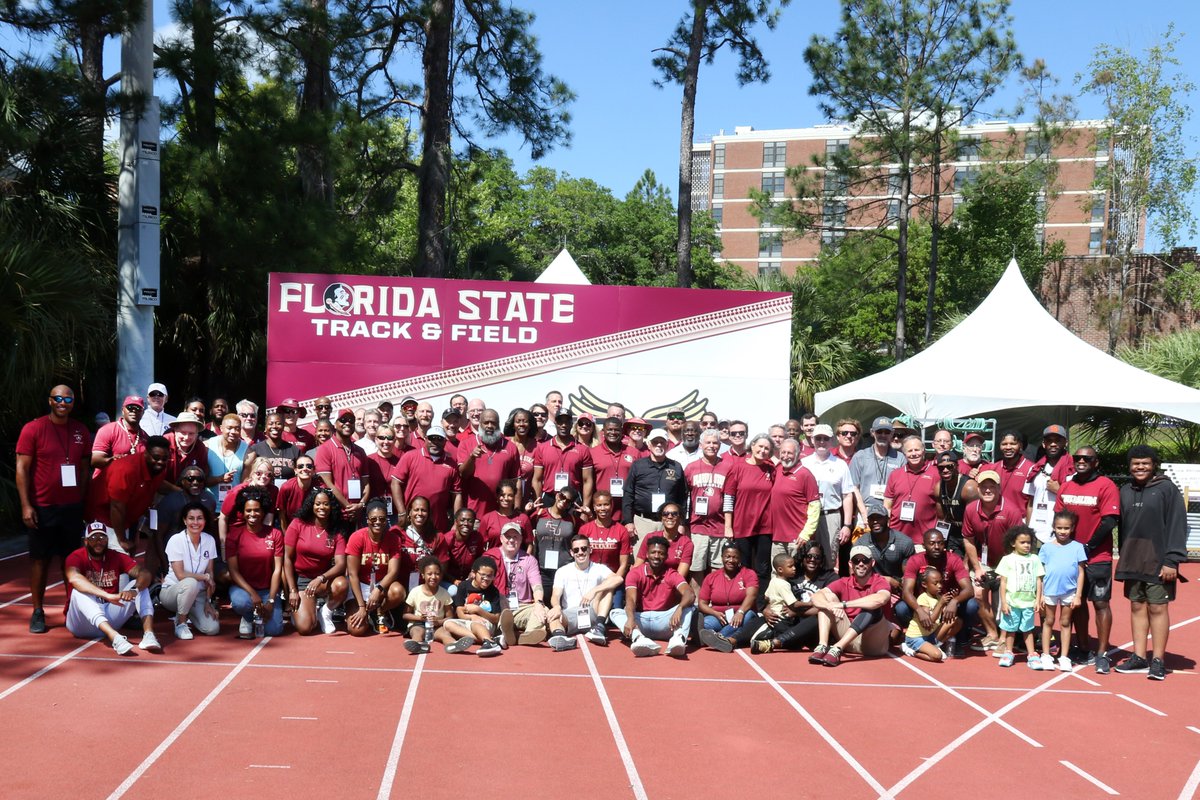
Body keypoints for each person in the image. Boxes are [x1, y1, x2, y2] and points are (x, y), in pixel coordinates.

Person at [17, 384, 93, 633]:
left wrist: (80, 501)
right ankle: (38, 611)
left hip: (71, 508)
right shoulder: (33, 428)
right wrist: (27, 505)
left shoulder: (81, 430)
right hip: (42, 507)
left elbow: (84, 469)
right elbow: (22, 470)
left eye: (68, 399)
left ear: (73, 402)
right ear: (50, 401)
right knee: (40, 561)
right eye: (58, 398)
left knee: (71, 562)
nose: (63, 402)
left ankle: (73, 607)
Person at [1115, 444, 1187, 681]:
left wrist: (1172, 560)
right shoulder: (1125, 490)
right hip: (1133, 559)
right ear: (1129, 466)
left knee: (1158, 608)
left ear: (1154, 465)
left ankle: (1157, 660)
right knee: (1136, 607)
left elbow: (1178, 525)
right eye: (1136, 464)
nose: (1140, 467)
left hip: (1159, 561)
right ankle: (1138, 657)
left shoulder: (1167, 490)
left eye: (1145, 463)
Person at [1055, 445, 1120, 671]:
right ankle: (1083, 647)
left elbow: (1110, 520)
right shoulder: (1067, 486)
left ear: (1096, 462)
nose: (1081, 461)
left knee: (1101, 603)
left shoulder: (1106, 485)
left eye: (1087, 458)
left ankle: (1102, 653)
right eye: (1078, 458)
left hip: (1097, 557)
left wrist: (1088, 547)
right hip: (1071, 558)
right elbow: (1059, 519)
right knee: (1077, 604)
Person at [64, 522, 159, 654]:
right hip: (81, 624)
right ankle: (115, 638)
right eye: (93, 538)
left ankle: (149, 635)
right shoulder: (76, 556)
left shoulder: (115, 556)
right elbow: (74, 578)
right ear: (85, 541)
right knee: (78, 591)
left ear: (108, 540)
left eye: (102, 538)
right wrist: (107, 595)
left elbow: (145, 573)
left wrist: (134, 590)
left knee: (140, 587)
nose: (98, 542)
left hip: (109, 616)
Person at [961, 470, 1024, 652]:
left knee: (1002, 604)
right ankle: (992, 634)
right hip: (983, 559)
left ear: (999, 488)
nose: (987, 490)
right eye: (983, 486)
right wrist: (977, 567)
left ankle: (1005, 636)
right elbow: (968, 539)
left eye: (992, 486)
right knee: (978, 594)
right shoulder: (971, 509)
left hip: (1007, 561)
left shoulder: (1011, 511)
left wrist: (1005, 570)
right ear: (978, 488)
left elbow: (1018, 543)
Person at [897, 528, 978, 658]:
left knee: (972, 605)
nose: (937, 547)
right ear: (924, 545)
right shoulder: (915, 560)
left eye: (940, 543)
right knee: (901, 608)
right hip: (924, 604)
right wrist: (919, 610)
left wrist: (954, 601)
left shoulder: (953, 559)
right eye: (932, 543)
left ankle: (960, 639)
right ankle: (915, 638)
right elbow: (906, 592)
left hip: (948, 603)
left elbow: (969, 589)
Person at [806, 545, 892, 666]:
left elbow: (880, 599)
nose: (861, 564)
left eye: (865, 560)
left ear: (872, 563)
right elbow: (816, 596)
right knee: (827, 600)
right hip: (849, 641)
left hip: (873, 645)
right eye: (857, 560)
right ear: (851, 564)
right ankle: (822, 646)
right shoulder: (844, 582)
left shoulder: (880, 581)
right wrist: (830, 606)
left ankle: (837, 648)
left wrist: (843, 605)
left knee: (872, 607)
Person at [611, 536, 696, 658]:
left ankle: (678, 640)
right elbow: (631, 599)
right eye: (653, 552)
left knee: (689, 608)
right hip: (641, 621)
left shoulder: (672, 573)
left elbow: (690, 593)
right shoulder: (634, 573)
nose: (656, 556)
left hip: (666, 622)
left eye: (661, 553)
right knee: (615, 613)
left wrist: (680, 608)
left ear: (666, 556)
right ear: (646, 554)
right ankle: (639, 639)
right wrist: (630, 618)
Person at [85, 437, 170, 556]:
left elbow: (159, 483)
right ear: (146, 453)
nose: (160, 462)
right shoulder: (125, 470)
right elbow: (116, 507)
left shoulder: (157, 468)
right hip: (104, 518)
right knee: (117, 560)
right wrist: (122, 539)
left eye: (164, 459)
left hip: (128, 518)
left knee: (129, 557)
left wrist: (180, 492)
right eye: (156, 457)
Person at [749, 542, 839, 654]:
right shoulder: (793, 574)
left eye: (817, 557)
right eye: (809, 556)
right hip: (790, 623)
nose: (812, 560)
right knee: (759, 619)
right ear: (803, 557)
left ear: (822, 560)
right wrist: (767, 609)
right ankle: (733, 640)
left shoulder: (830, 577)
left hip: (814, 628)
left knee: (817, 617)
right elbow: (774, 594)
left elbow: (827, 607)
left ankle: (773, 643)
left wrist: (797, 613)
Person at [284, 487, 349, 635]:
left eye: (326, 504)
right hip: (302, 581)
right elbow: (287, 558)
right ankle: (308, 609)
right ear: (311, 505)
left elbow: (341, 564)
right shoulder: (298, 524)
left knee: (342, 584)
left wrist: (321, 578)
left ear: (331, 507)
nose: (322, 507)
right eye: (318, 503)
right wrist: (292, 590)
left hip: (323, 581)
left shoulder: (336, 531)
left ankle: (325, 612)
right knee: (305, 628)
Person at [226, 487, 286, 638]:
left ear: (263, 511)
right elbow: (233, 571)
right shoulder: (234, 534)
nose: (252, 514)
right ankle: (248, 617)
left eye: (257, 510)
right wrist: (253, 594)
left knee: (274, 630)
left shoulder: (275, 534)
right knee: (241, 603)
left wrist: (271, 600)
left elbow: (277, 570)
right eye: (249, 510)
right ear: (243, 512)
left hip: (267, 590)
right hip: (244, 590)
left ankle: (259, 615)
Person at [546, 533, 622, 650]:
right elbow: (555, 595)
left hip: (592, 613)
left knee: (608, 588)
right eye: (576, 550)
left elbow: (618, 578)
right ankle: (560, 637)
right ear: (572, 553)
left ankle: (599, 628)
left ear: (590, 549)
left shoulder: (599, 568)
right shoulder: (562, 571)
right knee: (553, 615)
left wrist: (595, 590)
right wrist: (556, 607)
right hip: (570, 613)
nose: (580, 552)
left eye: (583, 548)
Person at [345, 499, 408, 636]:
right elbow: (352, 574)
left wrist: (378, 590)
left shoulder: (393, 539)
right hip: (360, 585)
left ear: (386, 520)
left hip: (380, 585)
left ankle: (380, 612)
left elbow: (393, 572)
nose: (378, 522)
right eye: (373, 519)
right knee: (357, 630)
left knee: (398, 591)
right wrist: (361, 606)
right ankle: (366, 612)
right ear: (367, 520)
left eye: (382, 519)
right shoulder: (357, 537)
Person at [161, 501, 222, 639]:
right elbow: (181, 575)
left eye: (199, 518)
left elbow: (210, 573)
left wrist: (208, 601)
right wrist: (205, 577)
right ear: (184, 520)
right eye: (191, 518)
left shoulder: (209, 540)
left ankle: (186, 612)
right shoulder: (176, 540)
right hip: (173, 591)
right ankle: (181, 623)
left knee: (212, 628)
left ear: (205, 520)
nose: (195, 522)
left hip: (198, 594)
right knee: (190, 583)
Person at [482, 522, 549, 647]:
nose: (511, 540)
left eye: (515, 537)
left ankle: (526, 635)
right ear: (501, 538)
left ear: (521, 539)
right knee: (501, 615)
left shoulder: (529, 560)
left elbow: (537, 586)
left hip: (522, 607)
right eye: (508, 537)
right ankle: (507, 630)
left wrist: (539, 603)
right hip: (498, 606)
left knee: (543, 610)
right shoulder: (490, 557)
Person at [723, 433, 776, 583]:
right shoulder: (737, 468)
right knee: (743, 567)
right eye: (760, 446)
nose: (763, 450)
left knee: (763, 568)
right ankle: (744, 602)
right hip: (742, 525)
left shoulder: (771, 469)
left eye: (767, 448)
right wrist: (728, 526)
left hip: (765, 527)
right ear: (752, 446)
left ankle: (759, 603)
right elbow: (728, 497)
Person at [390, 424, 463, 533]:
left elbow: (457, 494)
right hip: (412, 520)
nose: (435, 442)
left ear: (445, 442)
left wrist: (456, 522)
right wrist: (401, 512)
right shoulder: (410, 456)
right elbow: (395, 483)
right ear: (425, 439)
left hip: (438, 524)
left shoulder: (451, 464)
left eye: (439, 439)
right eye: (432, 438)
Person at [802, 424, 855, 573]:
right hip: (807, 516)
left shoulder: (840, 465)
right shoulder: (804, 463)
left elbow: (847, 495)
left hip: (831, 515)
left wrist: (847, 525)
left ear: (832, 441)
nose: (821, 442)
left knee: (828, 558)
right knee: (805, 555)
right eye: (818, 438)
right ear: (812, 440)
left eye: (825, 438)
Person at [1038, 510, 1087, 671]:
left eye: (1066, 528)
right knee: (1048, 621)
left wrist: (1078, 595)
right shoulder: (1046, 548)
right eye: (1059, 528)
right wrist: (1040, 595)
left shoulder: (1078, 547)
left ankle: (1064, 657)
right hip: (1050, 591)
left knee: (1065, 622)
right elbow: (1040, 574)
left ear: (1072, 528)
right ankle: (1046, 655)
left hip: (1069, 592)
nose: (1062, 531)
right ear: (1053, 527)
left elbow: (1081, 572)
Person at [150, 464, 215, 577]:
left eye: (199, 479)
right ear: (182, 481)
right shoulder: (170, 501)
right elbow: (158, 535)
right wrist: (165, 564)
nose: (195, 482)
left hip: (199, 554)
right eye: (190, 479)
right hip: (175, 555)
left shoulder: (209, 500)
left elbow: (209, 531)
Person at [995, 526, 1045, 669]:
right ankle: (1009, 652)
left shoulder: (1035, 559)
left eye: (1029, 542)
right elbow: (1003, 582)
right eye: (1022, 542)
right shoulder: (1007, 559)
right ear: (1013, 543)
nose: (1026, 545)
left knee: (1027, 629)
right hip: (1012, 602)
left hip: (1028, 602)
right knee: (1010, 629)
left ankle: (1032, 654)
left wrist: (1037, 599)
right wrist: (1004, 602)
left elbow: (1038, 580)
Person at [623, 429, 687, 538]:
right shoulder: (638, 466)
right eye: (655, 442)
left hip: (669, 522)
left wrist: (681, 523)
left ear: (667, 445)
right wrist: (628, 521)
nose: (658, 445)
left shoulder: (676, 467)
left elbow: (682, 498)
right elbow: (628, 494)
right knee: (640, 555)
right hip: (643, 522)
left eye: (662, 442)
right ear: (648, 445)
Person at [697, 543, 760, 652]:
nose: (731, 560)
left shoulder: (749, 573)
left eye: (735, 557)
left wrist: (740, 612)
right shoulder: (711, 577)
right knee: (706, 624)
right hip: (719, 616)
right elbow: (702, 603)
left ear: (740, 558)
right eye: (728, 556)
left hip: (742, 614)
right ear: (722, 557)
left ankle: (719, 637)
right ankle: (723, 636)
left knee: (748, 617)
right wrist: (714, 613)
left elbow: (752, 596)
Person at [314, 408, 371, 528]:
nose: (348, 423)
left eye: (351, 420)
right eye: (343, 420)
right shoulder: (325, 449)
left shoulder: (360, 451)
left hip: (357, 513)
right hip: (336, 513)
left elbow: (366, 484)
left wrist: (360, 505)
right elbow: (328, 483)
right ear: (335, 424)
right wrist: (348, 507)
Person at [459, 408, 520, 518]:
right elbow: (463, 474)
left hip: (502, 512)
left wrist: (517, 510)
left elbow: (516, 481)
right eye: (486, 422)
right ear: (480, 424)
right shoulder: (466, 444)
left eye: (493, 423)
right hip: (474, 513)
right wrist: (472, 458)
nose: (489, 426)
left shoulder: (510, 447)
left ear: (498, 424)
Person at [578, 490, 632, 611]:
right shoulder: (585, 529)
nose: (603, 508)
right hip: (589, 579)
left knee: (614, 612)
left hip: (613, 578)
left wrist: (612, 583)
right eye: (599, 505)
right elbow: (580, 558)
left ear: (612, 506)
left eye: (606, 504)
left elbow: (624, 564)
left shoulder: (621, 530)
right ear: (594, 507)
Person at [685, 429, 729, 578]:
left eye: (715, 443)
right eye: (708, 442)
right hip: (698, 526)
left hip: (720, 526)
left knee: (719, 567)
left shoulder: (728, 467)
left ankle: (715, 599)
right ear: (701, 444)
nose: (711, 446)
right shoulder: (691, 467)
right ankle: (697, 601)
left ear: (720, 445)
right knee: (697, 567)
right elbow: (685, 498)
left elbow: (730, 498)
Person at [532, 408, 595, 512]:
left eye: (567, 422)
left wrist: (585, 508)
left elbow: (587, 480)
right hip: (549, 498)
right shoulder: (542, 448)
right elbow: (537, 479)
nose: (564, 425)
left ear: (571, 424)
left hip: (572, 500)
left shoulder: (582, 449)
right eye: (560, 421)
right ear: (555, 423)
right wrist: (538, 505)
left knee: (572, 528)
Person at [884, 435, 939, 545]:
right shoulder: (895, 474)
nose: (914, 454)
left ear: (923, 451)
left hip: (924, 541)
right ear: (904, 454)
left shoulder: (936, 474)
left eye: (917, 450)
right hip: (897, 538)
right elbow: (887, 506)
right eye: (909, 451)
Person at [445, 556, 505, 656]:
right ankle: (491, 640)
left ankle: (489, 643)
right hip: (467, 621)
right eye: (483, 575)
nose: (486, 579)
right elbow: (460, 612)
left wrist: (478, 610)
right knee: (447, 624)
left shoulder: (493, 591)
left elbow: (495, 618)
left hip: (485, 624)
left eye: (490, 576)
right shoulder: (463, 586)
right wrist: (472, 616)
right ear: (474, 573)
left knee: (475, 624)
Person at [849, 416, 904, 524]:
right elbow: (854, 488)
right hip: (865, 510)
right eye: (879, 431)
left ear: (892, 434)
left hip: (890, 512)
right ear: (872, 432)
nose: (883, 435)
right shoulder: (860, 456)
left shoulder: (900, 458)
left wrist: (889, 513)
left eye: (887, 432)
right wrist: (864, 514)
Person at [901, 566, 959, 662]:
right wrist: (940, 604)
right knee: (936, 656)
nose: (940, 586)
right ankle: (910, 650)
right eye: (935, 583)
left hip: (930, 634)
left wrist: (954, 601)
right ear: (924, 584)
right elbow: (929, 622)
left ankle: (936, 645)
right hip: (916, 637)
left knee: (956, 621)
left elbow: (948, 617)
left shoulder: (939, 597)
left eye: (941, 582)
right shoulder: (922, 599)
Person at [402, 556, 459, 654]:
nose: (433, 577)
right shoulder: (415, 592)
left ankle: (453, 645)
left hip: (436, 625)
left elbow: (450, 616)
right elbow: (405, 615)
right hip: (418, 623)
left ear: (441, 576)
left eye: (437, 574)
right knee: (417, 632)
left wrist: (439, 621)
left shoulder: (444, 593)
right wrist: (420, 618)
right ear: (423, 575)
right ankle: (417, 645)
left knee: (445, 634)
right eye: (429, 574)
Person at [858, 497, 915, 592]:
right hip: (870, 588)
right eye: (872, 518)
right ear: (868, 521)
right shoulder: (861, 543)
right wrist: (885, 580)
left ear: (888, 519)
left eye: (879, 518)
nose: (875, 521)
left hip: (898, 588)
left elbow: (908, 576)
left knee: (903, 607)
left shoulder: (905, 542)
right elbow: (856, 576)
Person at [1025, 424, 1071, 543]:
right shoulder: (1035, 469)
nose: (1053, 444)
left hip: (1060, 534)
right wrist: (1029, 530)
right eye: (1049, 441)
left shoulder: (1072, 470)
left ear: (1065, 443)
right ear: (1044, 444)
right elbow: (1030, 503)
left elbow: (1076, 503)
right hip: (1036, 533)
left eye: (1058, 440)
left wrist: (1059, 491)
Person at [590, 416, 639, 524]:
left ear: (622, 431)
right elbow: (588, 482)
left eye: (616, 429)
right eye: (609, 429)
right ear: (604, 431)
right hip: (602, 510)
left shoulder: (634, 453)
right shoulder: (593, 453)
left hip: (627, 511)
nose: (613, 432)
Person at [532, 487, 579, 601]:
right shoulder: (539, 513)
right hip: (542, 569)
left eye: (568, 501)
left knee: (561, 604)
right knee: (543, 602)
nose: (564, 502)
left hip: (564, 569)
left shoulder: (572, 519)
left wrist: (590, 516)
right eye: (562, 497)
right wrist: (525, 511)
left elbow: (584, 534)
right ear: (557, 495)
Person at [934, 450, 979, 559]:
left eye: (949, 466)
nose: (945, 470)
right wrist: (941, 541)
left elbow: (975, 524)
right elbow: (942, 520)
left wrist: (967, 560)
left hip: (971, 536)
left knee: (967, 569)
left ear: (957, 466)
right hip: (953, 534)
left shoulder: (969, 487)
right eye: (941, 468)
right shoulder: (939, 487)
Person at [633, 502, 691, 578]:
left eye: (674, 514)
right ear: (661, 518)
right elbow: (637, 566)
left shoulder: (686, 543)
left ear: (680, 518)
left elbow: (680, 576)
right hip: (648, 580)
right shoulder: (650, 537)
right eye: (665, 514)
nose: (670, 516)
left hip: (672, 584)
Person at [985, 431, 1035, 516]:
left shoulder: (1031, 469)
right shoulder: (993, 468)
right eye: (1004, 444)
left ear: (1020, 446)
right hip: (996, 521)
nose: (1008, 447)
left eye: (1013, 443)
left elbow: (1032, 503)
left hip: (1019, 523)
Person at [91, 395, 148, 469]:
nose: (134, 411)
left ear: (143, 413)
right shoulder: (107, 430)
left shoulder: (145, 437)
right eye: (130, 408)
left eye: (138, 408)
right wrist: (112, 460)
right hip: (108, 479)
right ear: (122, 410)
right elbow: (95, 461)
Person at [244, 411, 300, 484]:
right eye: (271, 424)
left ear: (283, 426)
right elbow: (247, 477)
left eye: (278, 423)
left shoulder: (294, 450)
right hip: (263, 492)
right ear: (266, 427)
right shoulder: (255, 449)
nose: (274, 426)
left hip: (288, 493)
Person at [163, 412, 209, 492]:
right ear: (175, 430)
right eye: (183, 432)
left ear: (197, 434)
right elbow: (155, 475)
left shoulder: (200, 447)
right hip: (163, 491)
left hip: (189, 493)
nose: (186, 437)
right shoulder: (165, 443)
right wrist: (178, 491)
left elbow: (203, 474)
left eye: (191, 433)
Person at [206, 413, 247, 504]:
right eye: (229, 428)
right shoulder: (207, 446)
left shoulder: (248, 451)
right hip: (209, 506)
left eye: (237, 429)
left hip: (233, 507)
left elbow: (245, 485)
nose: (233, 431)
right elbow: (201, 481)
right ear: (221, 428)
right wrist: (220, 479)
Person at [479, 480, 532, 548]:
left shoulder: (523, 518)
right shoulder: (487, 518)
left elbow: (529, 545)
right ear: (497, 497)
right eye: (502, 495)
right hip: (493, 557)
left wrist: (527, 559)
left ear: (514, 498)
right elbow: (480, 545)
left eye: (510, 495)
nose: (506, 498)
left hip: (517, 558)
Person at [442, 507, 485, 584]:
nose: (466, 524)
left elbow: (479, 558)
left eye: (470, 521)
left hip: (470, 579)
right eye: (462, 520)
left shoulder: (477, 538)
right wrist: (454, 581)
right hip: (448, 580)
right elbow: (441, 568)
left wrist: (474, 571)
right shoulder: (447, 539)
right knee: (454, 592)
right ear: (456, 522)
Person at [277, 454, 320, 531]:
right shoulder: (286, 487)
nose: (305, 469)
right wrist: (286, 534)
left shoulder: (320, 488)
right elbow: (281, 514)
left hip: (313, 528)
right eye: (300, 466)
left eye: (309, 466)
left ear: (314, 470)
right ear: (295, 470)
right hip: (291, 527)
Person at [504, 408, 538, 503]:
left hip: (527, 500)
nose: (521, 424)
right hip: (505, 499)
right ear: (512, 425)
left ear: (530, 425)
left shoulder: (537, 447)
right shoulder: (504, 443)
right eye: (518, 421)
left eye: (525, 421)